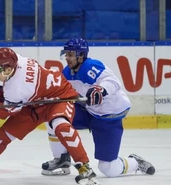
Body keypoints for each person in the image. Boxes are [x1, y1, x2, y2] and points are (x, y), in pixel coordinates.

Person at [0, 47, 100, 184]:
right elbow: (15, 102)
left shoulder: (16, 89)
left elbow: (11, 110)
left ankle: (84, 167)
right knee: (2, 135)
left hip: (58, 98)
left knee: (61, 126)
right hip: (34, 103)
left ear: (8, 69)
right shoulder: (18, 60)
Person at [41, 38, 155, 178]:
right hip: (88, 111)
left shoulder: (91, 66)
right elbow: (60, 90)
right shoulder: (67, 72)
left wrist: (101, 89)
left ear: (81, 56)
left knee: (108, 168)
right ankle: (62, 159)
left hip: (108, 117)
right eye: (66, 54)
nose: (67, 58)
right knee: (53, 117)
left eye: (70, 54)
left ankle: (135, 162)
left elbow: (112, 81)